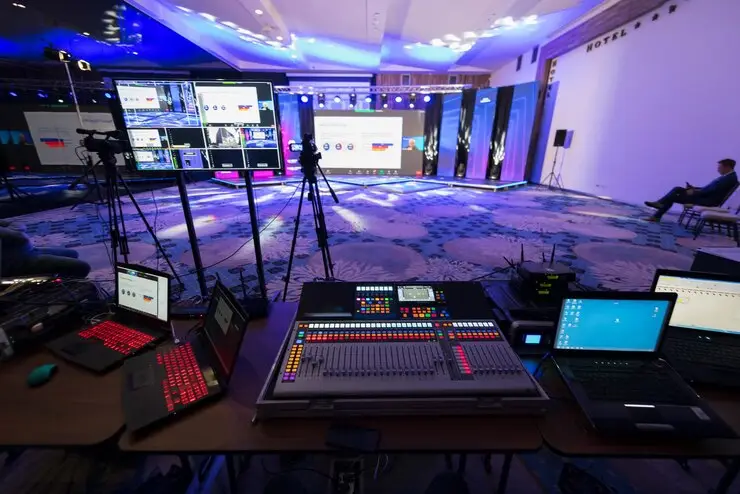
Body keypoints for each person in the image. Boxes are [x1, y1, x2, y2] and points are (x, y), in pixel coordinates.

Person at [644, 158, 738, 222]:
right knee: (677, 189)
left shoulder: (729, 179)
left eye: (719, 167)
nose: (718, 169)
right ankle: (659, 206)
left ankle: (658, 211)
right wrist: (694, 188)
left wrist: (694, 192)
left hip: (707, 201)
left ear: (727, 167)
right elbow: (710, 189)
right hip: (704, 197)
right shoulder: (727, 177)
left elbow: (711, 191)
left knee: (673, 196)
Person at [0, 220, 91, 278]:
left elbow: (15, 223)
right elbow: (19, 236)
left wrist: (13, 229)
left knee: (73, 254)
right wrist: (14, 229)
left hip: (29, 251)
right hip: (16, 263)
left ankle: (60, 280)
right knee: (83, 267)